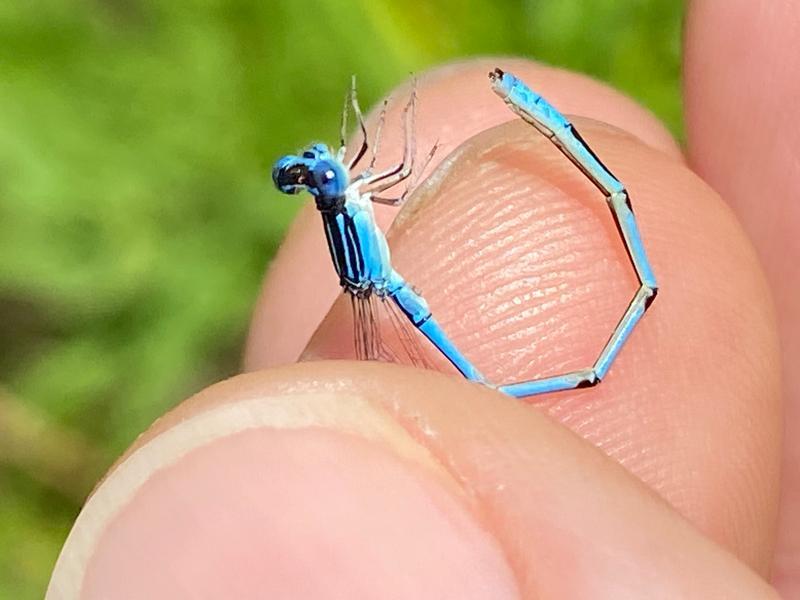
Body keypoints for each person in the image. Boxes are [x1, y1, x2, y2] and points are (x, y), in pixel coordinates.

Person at [47, 2, 799, 597]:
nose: (331, 171)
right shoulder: (357, 228)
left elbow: (383, 168)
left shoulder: (347, 204)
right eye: (329, 177)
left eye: (328, 175)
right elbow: (397, 166)